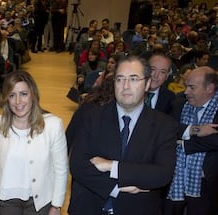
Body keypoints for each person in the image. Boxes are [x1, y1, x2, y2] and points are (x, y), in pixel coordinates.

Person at [67, 55, 178, 215]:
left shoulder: (164, 125)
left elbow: (162, 173)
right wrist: (116, 188)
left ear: (147, 84)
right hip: (89, 206)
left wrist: (113, 166)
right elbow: (78, 164)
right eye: (120, 79)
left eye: (133, 79)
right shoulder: (91, 116)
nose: (125, 86)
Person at [0, 70, 68, 215]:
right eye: (12, 95)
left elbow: (61, 169)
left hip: (40, 201)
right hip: (6, 199)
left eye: (24, 94)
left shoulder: (53, 125)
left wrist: (57, 205)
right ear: (6, 99)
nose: (18, 101)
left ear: (33, 95)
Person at [165, 66, 218, 215]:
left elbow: (215, 140)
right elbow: (167, 131)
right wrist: (195, 130)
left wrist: (183, 144)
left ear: (209, 88)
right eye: (186, 86)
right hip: (175, 181)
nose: (186, 91)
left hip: (208, 185)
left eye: (192, 87)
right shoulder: (178, 104)